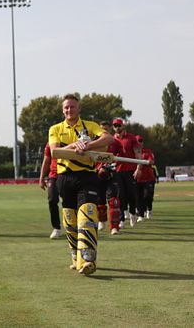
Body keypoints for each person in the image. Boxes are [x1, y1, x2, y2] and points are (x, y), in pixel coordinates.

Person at [48, 94, 114, 275]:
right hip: (65, 178)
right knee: (70, 218)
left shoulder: (90, 126)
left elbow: (109, 140)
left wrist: (89, 145)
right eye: (66, 107)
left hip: (87, 177)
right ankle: (76, 258)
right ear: (63, 110)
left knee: (87, 215)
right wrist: (74, 146)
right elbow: (55, 152)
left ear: (79, 108)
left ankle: (87, 260)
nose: (69, 110)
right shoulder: (55, 128)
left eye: (73, 107)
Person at [109, 118, 142, 229]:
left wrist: (139, 168)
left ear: (123, 126)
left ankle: (132, 213)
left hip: (131, 171)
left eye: (119, 125)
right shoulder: (112, 139)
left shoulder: (131, 138)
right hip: (118, 171)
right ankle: (122, 219)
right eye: (115, 126)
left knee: (131, 195)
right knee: (120, 195)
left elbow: (138, 154)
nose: (117, 127)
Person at [38, 142, 61, 239]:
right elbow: (46, 161)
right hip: (53, 175)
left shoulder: (70, 138)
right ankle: (56, 228)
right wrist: (41, 178)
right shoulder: (50, 143)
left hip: (68, 173)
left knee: (70, 201)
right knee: (52, 200)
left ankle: (73, 226)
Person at [134, 136, 156, 220]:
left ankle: (149, 209)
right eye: (137, 141)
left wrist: (150, 161)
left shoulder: (148, 151)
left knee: (148, 196)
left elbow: (152, 161)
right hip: (137, 179)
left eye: (141, 141)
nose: (139, 143)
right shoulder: (132, 153)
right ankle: (141, 215)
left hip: (149, 178)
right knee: (138, 197)